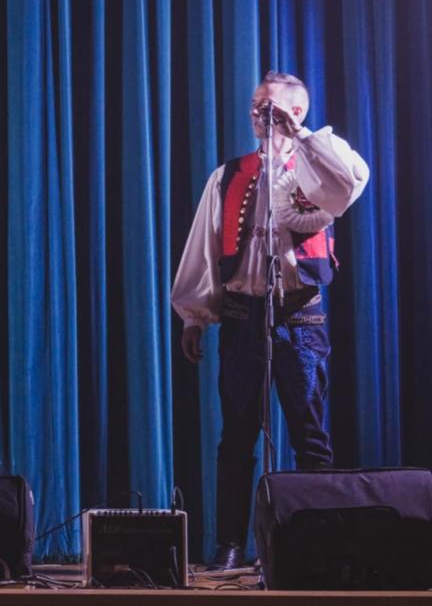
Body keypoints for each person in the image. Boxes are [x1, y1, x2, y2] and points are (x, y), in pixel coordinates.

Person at [171, 71, 369, 570]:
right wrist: (194, 315)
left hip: (301, 314)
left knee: (309, 433)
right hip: (243, 314)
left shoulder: (323, 163)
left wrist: (299, 136)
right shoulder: (229, 176)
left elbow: (350, 181)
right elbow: (204, 244)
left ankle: (314, 544)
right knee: (236, 434)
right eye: (256, 105)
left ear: (296, 111)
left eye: (270, 106)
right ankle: (231, 544)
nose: (259, 114)